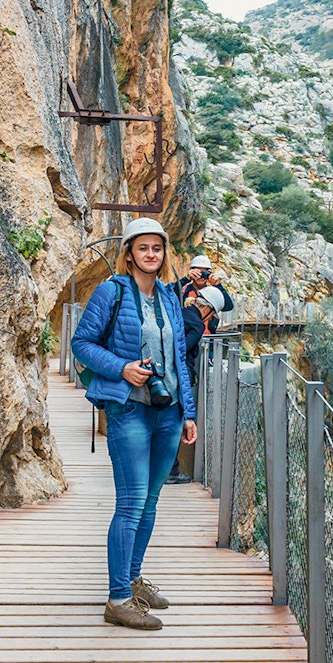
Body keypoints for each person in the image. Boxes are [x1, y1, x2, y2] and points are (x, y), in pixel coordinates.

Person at [71, 218, 197, 631]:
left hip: (169, 411)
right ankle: (118, 598)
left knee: (151, 501)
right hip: (129, 410)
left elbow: (180, 357)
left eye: (156, 249)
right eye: (142, 248)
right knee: (130, 502)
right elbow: (81, 344)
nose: (150, 255)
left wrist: (189, 412)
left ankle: (133, 580)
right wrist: (123, 368)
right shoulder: (112, 291)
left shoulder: (169, 297)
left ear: (163, 255)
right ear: (129, 253)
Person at [165, 286, 226, 485]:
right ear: (207, 308)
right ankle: (171, 472)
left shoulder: (180, 313)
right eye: (213, 313)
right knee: (174, 424)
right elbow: (181, 350)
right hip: (177, 379)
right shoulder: (198, 326)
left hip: (162, 375)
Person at [176, 254, 234, 334]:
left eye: (204, 272)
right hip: (188, 337)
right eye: (198, 272)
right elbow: (169, 294)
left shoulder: (213, 293)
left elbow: (228, 307)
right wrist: (186, 279)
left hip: (208, 338)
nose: (201, 276)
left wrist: (217, 285)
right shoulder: (184, 291)